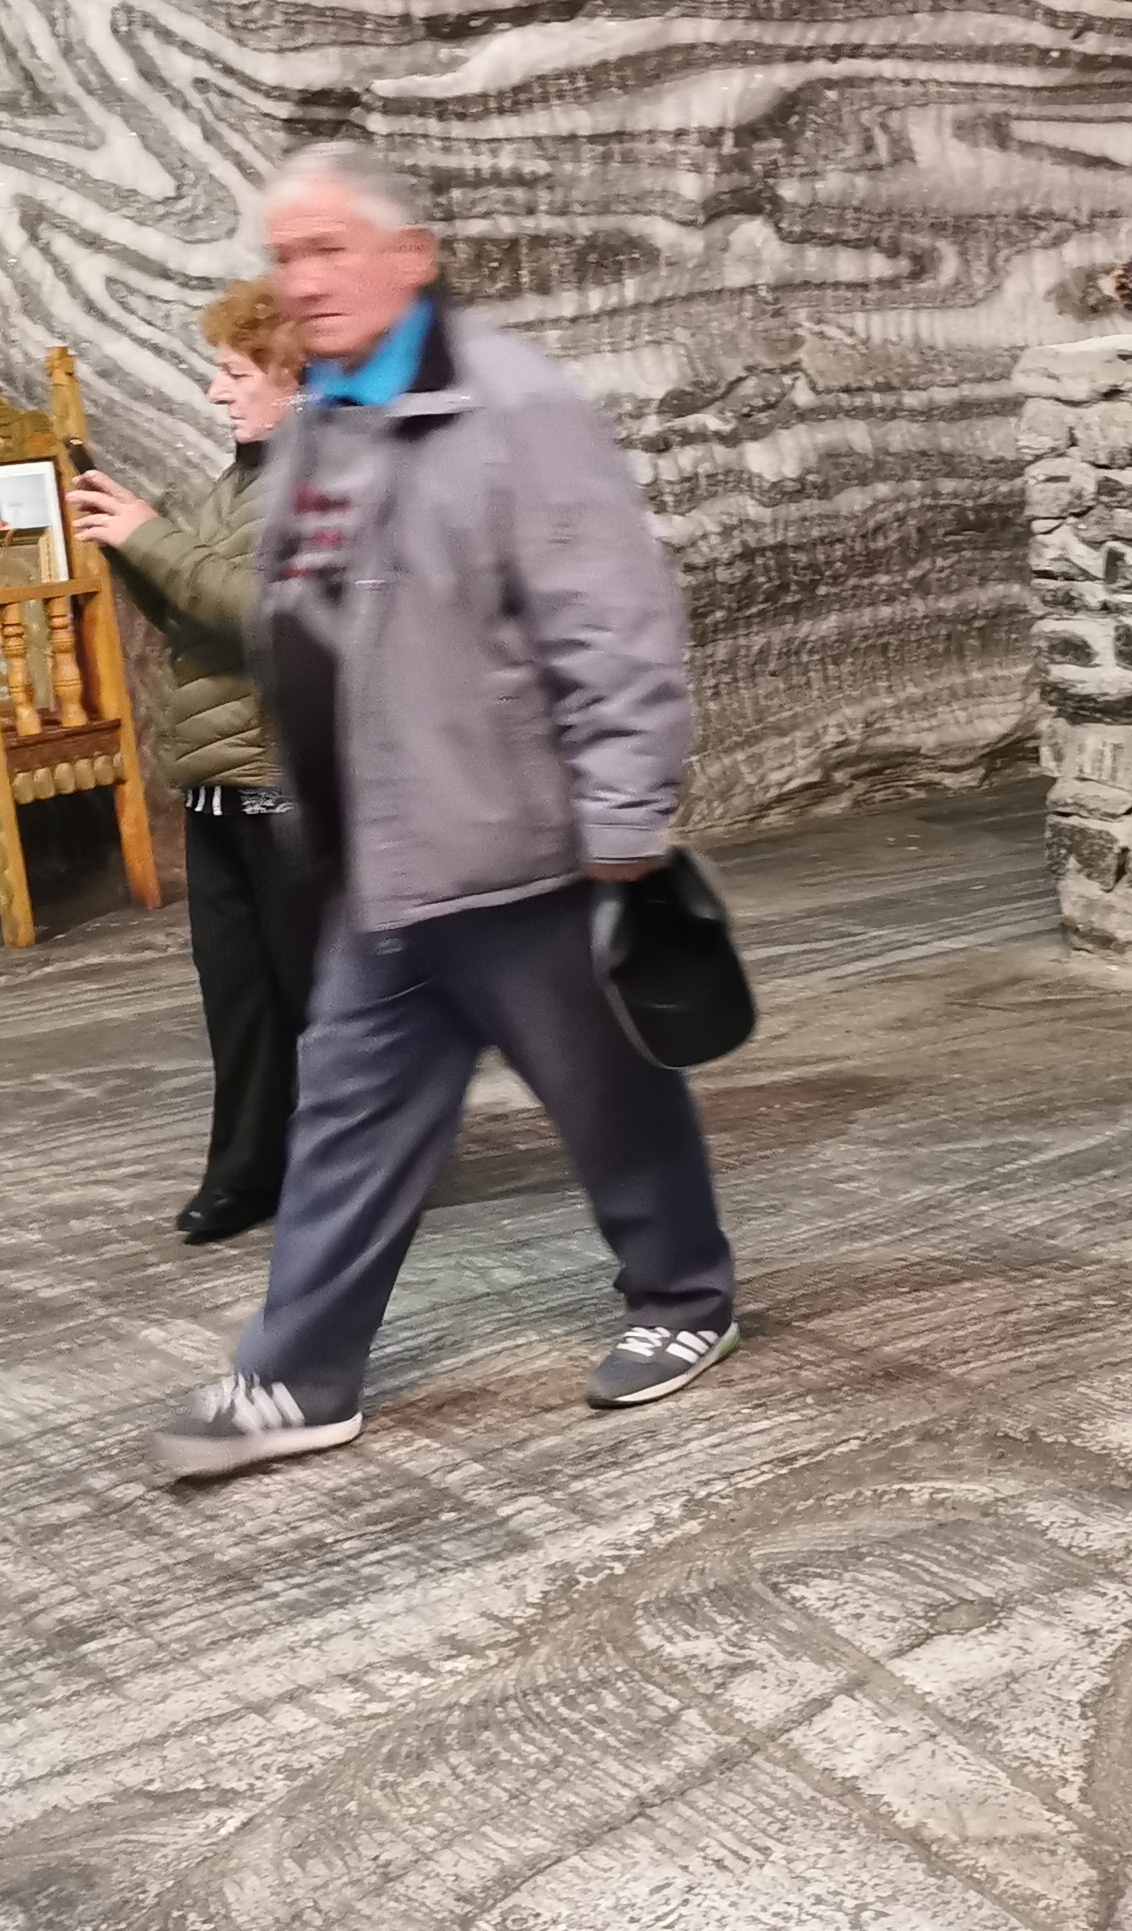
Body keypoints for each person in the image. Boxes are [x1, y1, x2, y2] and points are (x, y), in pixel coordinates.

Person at [155, 142, 739, 1480]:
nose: (300, 279)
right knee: (346, 1120)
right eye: (284, 256)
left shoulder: (515, 407)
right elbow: (306, 620)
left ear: (409, 258)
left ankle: (685, 1298)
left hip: (525, 851)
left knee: (610, 1094)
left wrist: (624, 828)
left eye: (327, 249)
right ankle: (298, 1377)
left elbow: (615, 626)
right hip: (386, 859)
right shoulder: (324, 421)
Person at [71, 281, 322, 1244]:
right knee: (240, 997)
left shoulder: (325, 483)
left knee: (320, 1001)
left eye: (234, 373)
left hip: (288, 787)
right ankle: (247, 1172)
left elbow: (263, 613)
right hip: (219, 785)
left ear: (297, 380)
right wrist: (124, 543)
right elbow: (192, 610)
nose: (216, 391)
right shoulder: (235, 483)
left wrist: (151, 534)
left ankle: (359, 1170)